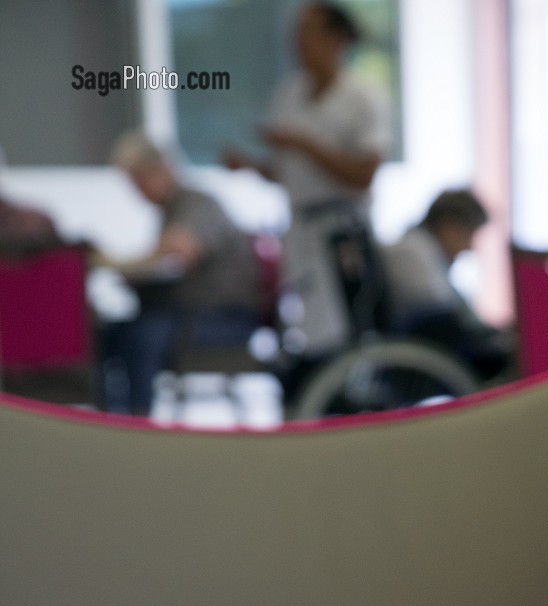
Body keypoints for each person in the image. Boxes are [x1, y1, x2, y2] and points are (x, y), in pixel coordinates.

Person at [224, 3, 389, 389]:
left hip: (341, 231)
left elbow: (364, 173)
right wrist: (250, 166)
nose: (296, 43)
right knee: (305, 330)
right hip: (299, 229)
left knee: (346, 330)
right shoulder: (288, 94)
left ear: (336, 39)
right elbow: (288, 174)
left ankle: (350, 404)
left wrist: (303, 143)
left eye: (307, 33)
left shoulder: (361, 95)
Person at [99, 133, 261, 415]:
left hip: (226, 317)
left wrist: (119, 263)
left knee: (142, 338)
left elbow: (181, 247)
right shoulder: (169, 211)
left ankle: (137, 430)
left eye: (137, 180)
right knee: (107, 336)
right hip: (190, 315)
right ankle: (108, 422)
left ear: (158, 170)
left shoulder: (197, 203)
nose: (135, 191)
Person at [381, 189, 512, 380]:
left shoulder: (429, 255)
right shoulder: (412, 252)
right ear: (448, 225)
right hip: (422, 357)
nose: (470, 247)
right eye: (470, 234)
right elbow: (443, 315)